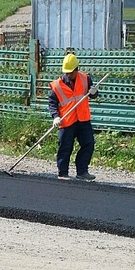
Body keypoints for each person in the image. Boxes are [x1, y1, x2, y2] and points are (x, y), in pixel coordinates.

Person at [48, 53, 99, 181]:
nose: (68, 75)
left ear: (77, 69)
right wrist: (55, 117)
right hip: (67, 121)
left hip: (83, 120)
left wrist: (94, 93)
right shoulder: (57, 85)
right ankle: (63, 173)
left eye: (70, 72)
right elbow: (52, 103)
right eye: (66, 72)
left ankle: (82, 171)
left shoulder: (86, 79)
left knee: (88, 144)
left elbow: (92, 95)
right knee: (65, 147)